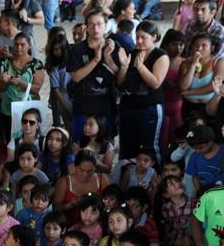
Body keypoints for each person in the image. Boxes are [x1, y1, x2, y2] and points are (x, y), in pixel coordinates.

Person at [116, 21, 169, 160]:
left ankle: (154, 172)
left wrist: (140, 66)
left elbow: (156, 83)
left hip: (149, 108)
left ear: (154, 37)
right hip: (128, 107)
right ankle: (129, 172)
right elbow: (121, 83)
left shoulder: (161, 55)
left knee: (150, 146)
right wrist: (124, 66)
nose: (139, 41)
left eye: (143, 37)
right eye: (137, 37)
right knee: (128, 146)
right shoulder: (132, 53)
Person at [67, 10, 118, 142]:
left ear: (106, 26)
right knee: (81, 145)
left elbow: (118, 76)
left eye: (99, 24)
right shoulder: (77, 49)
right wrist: (96, 59)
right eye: (91, 25)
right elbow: (76, 77)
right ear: (86, 27)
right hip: (83, 108)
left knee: (106, 145)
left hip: (106, 107)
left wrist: (107, 57)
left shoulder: (114, 46)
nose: (96, 28)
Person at [0, 32, 45, 141]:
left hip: (28, 111)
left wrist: (21, 83)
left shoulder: (36, 64)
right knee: (10, 140)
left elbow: (36, 88)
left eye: (23, 45)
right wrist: (6, 82)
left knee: (29, 140)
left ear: (29, 45)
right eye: (16, 44)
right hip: (8, 110)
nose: (19, 48)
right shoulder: (4, 63)